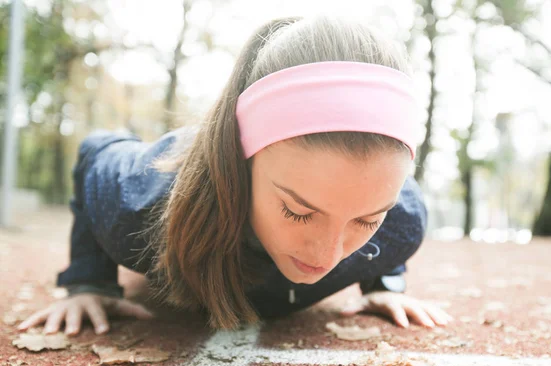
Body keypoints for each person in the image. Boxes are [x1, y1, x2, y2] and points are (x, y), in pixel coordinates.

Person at [18, 15, 453, 336]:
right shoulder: (137, 204)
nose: (327, 253)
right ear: (243, 158)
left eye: (366, 220)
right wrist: (88, 279)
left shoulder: (403, 223)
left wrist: (385, 281)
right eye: (299, 212)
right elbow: (97, 150)